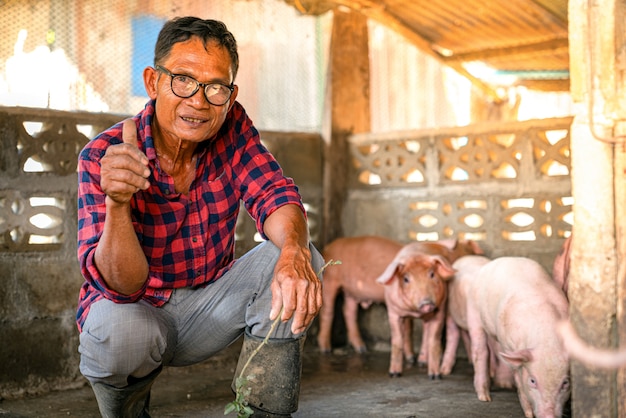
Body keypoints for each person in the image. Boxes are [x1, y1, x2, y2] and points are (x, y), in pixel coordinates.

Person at [76, 16, 323, 418]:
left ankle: (260, 409)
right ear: (153, 82)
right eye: (183, 80)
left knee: (304, 257)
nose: (198, 101)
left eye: (215, 87)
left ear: (231, 93)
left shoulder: (232, 126)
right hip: (137, 312)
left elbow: (273, 192)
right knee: (120, 330)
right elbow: (124, 286)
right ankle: (127, 410)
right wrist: (118, 203)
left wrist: (293, 250)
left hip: (208, 311)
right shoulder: (104, 157)